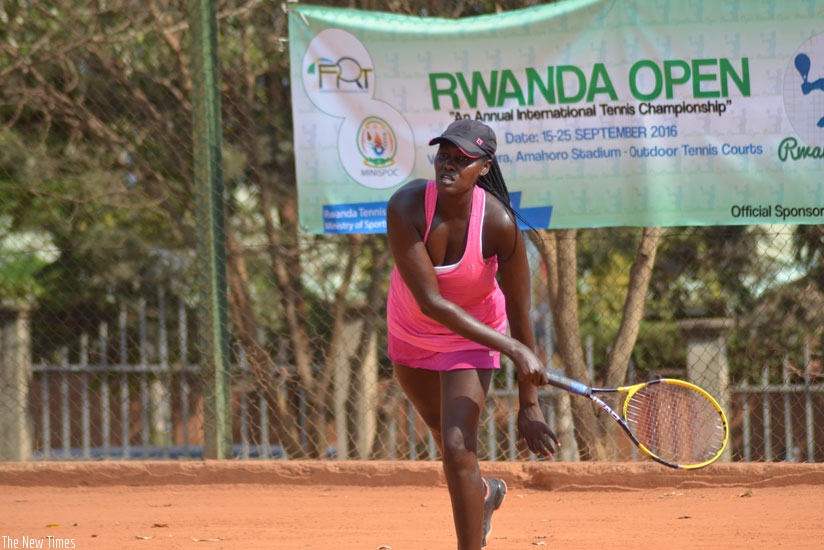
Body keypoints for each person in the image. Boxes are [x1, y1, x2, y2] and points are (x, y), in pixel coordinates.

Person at [386, 119, 560, 549]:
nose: (449, 164)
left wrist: (530, 404)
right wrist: (514, 350)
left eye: (462, 159)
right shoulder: (406, 206)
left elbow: (519, 311)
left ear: (483, 167)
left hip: (473, 338)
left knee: (459, 445)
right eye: (444, 154)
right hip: (412, 331)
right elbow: (430, 301)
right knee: (449, 447)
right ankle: (484, 494)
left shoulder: (499, 224)